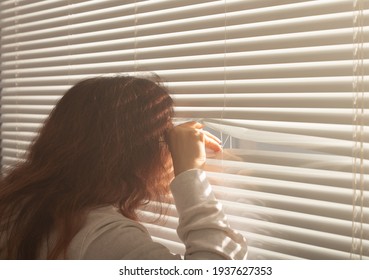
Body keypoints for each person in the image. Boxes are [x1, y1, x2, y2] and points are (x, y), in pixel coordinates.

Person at [0, 75, 247, 260]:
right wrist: (191, 173)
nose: (169, 148)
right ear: (132, 153)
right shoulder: (100, 236)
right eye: (165, 135)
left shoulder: (20, 203)